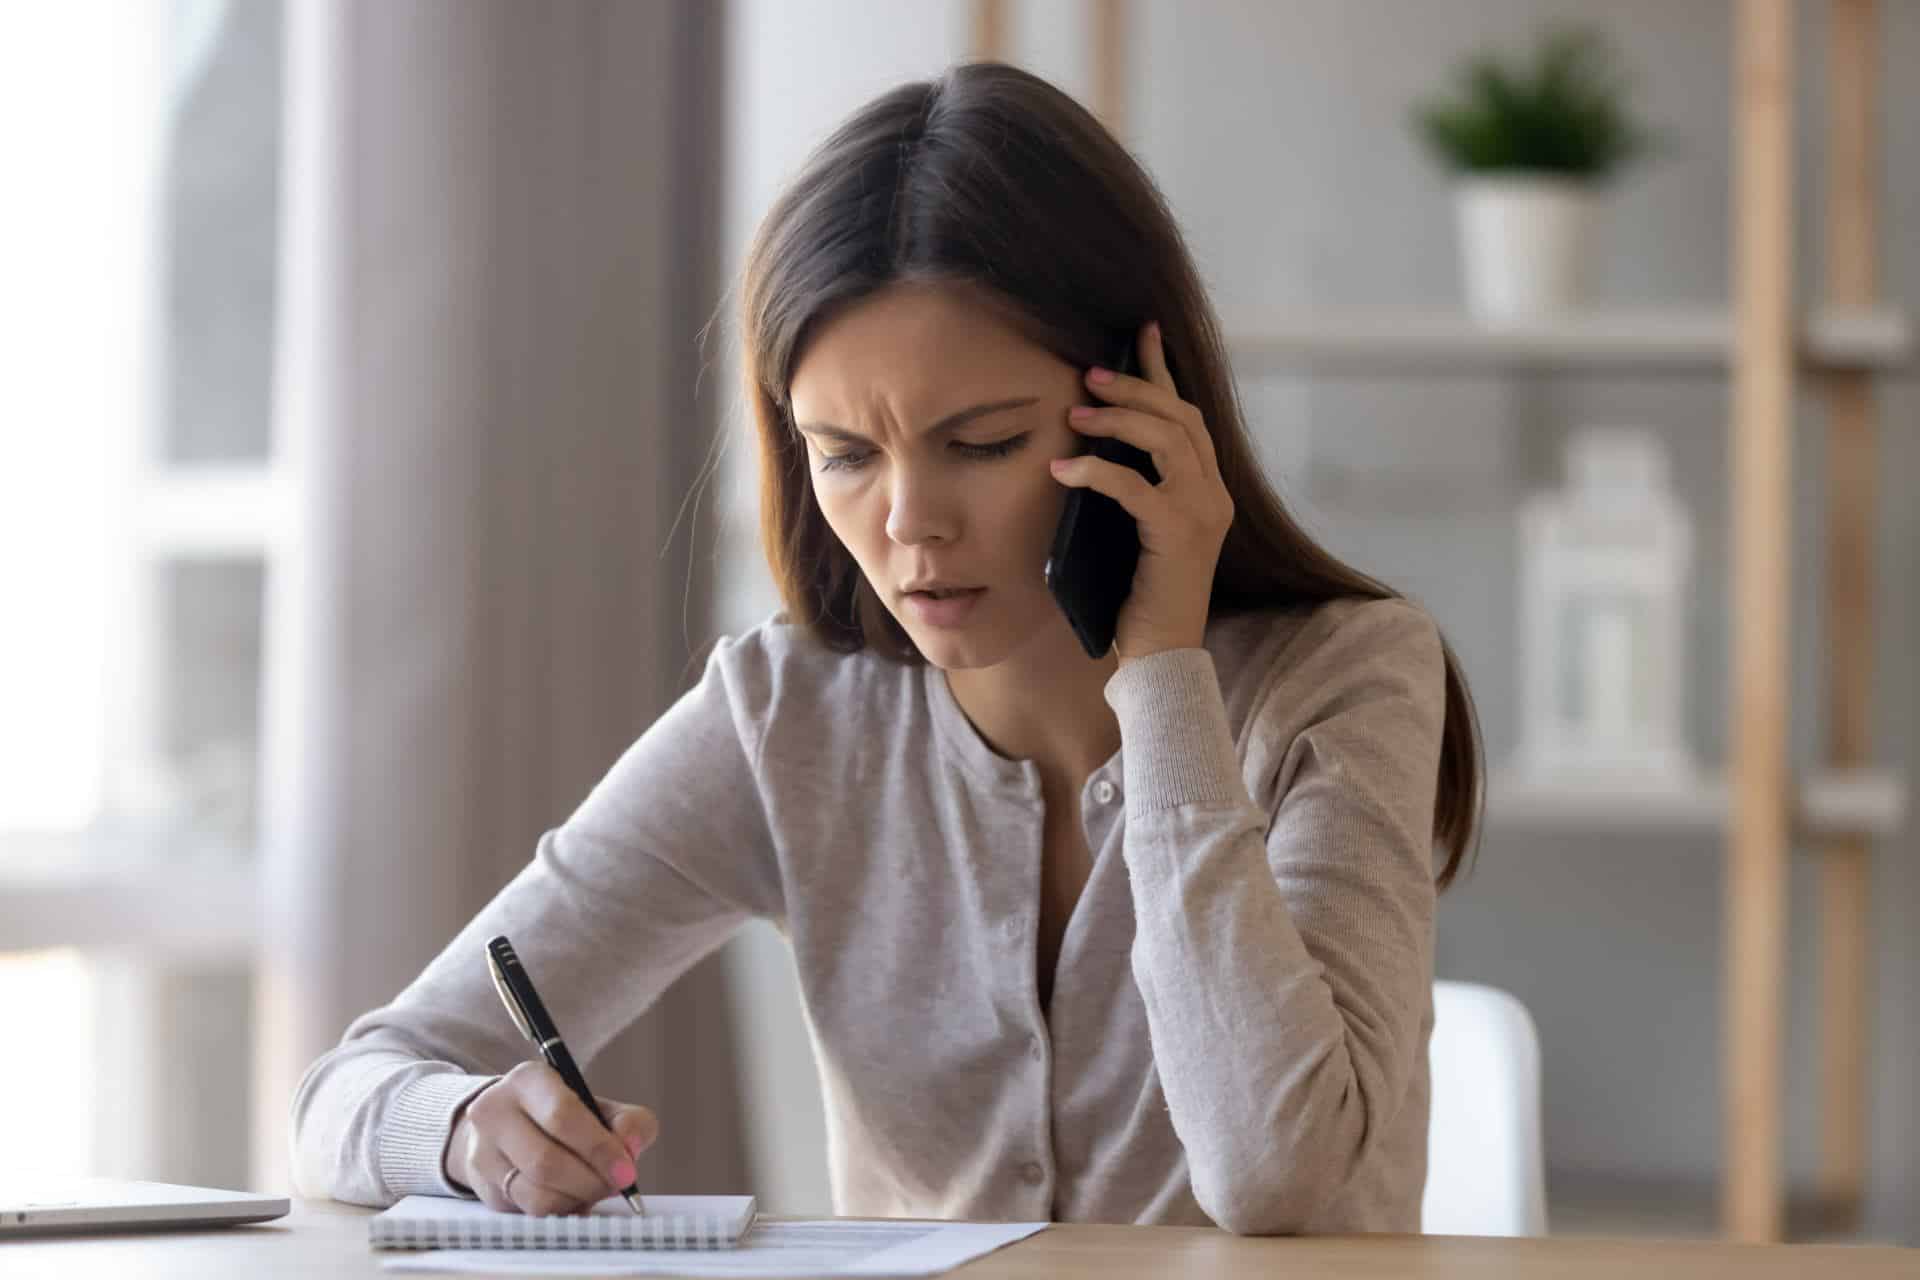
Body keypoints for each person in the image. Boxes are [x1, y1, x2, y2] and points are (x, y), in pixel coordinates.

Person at [291, 59, 1484, 1236]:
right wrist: (460, 1132)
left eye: (982, 441)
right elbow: (347, 1090)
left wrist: (1162, 674)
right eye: (845, 454)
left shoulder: (1349, 673)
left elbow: (1281, 1178)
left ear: (1139, 415)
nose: (909, 522)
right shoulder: (789, 715)